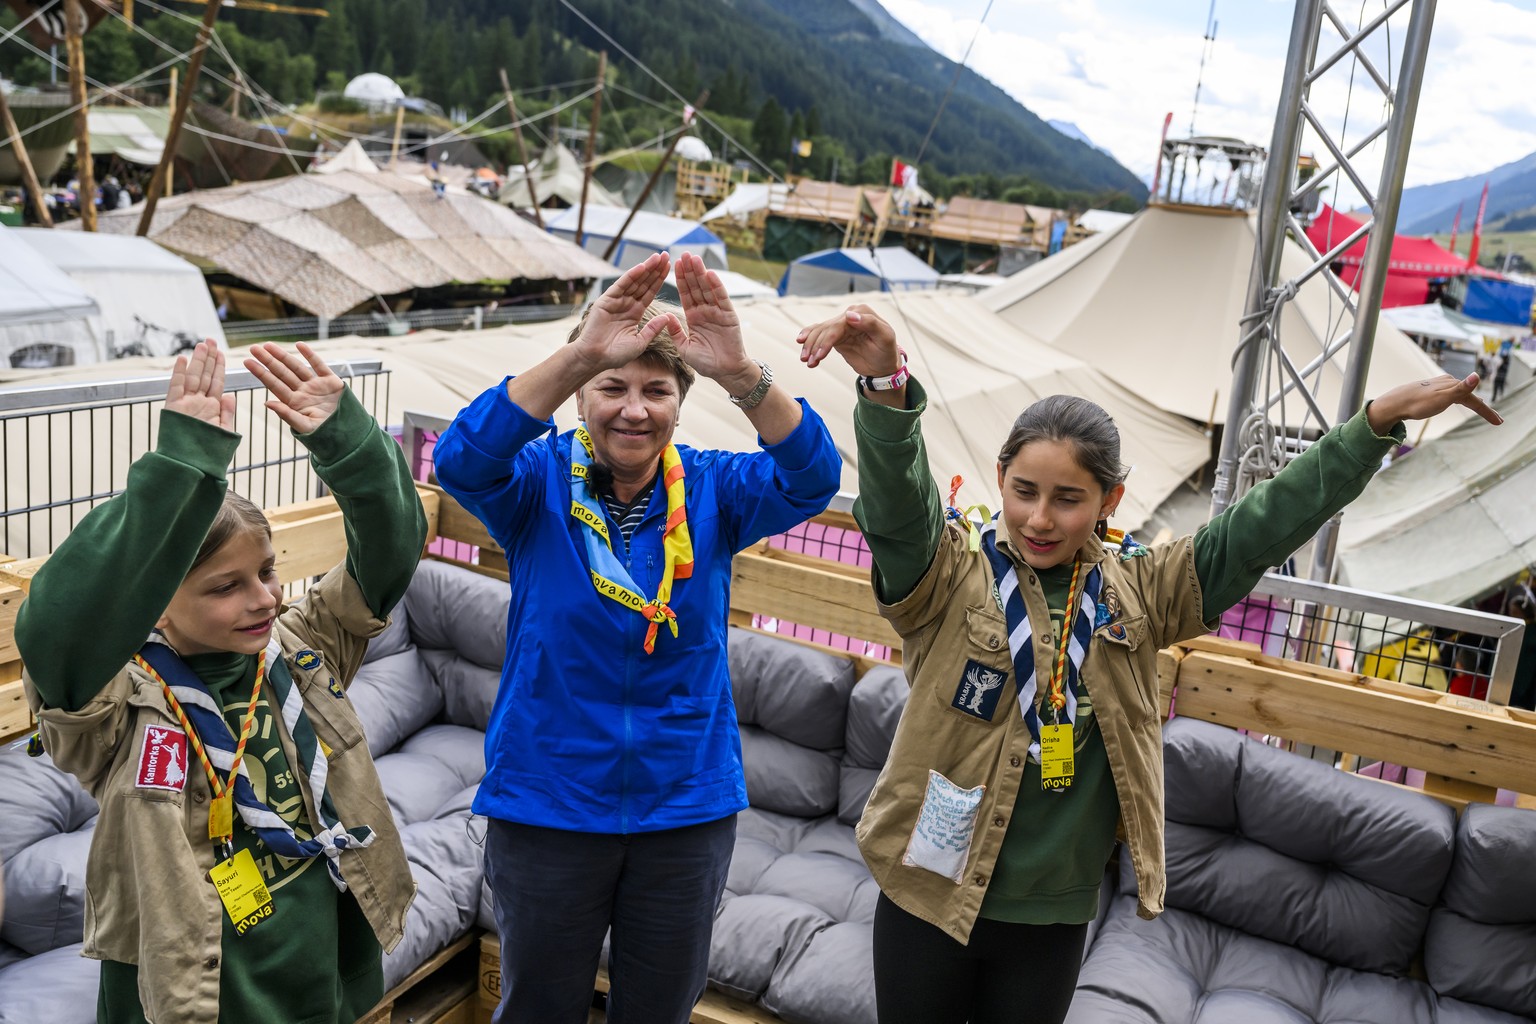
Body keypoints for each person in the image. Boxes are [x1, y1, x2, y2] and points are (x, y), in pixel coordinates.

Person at [796, 304, 1501, 1024]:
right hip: (922, 894)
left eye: (1069, 499)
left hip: (1050, 919)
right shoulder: (950, 576)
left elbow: (1255, 530)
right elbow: (897, 512)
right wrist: (884, 385)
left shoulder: (1143, 591)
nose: (1041, 519)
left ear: (1110, 499)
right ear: (1001, 478)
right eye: (1025, 492)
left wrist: (1372, 425)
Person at [433, 251, 840, 1024]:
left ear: (680, 401)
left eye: (656, 390)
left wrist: (742, 373)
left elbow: (812, 477)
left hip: (682, 809)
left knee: (658, 1011)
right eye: (611, 387)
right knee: (537, 1009)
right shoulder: (536, 484)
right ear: (582, 395)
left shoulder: (718, 489)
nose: (633, 409)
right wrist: (581, 350)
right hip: (547, 800)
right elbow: (461, 459)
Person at [17, 341, 428, 1024]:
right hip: (201, 992)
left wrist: (347, 441)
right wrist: (182, 468)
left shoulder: (300, 650)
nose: (264, 599)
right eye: (226, 587)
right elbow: (57, 630)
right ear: (155, 601)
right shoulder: (120, 710)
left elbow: (388, 552)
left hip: (320, 965)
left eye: (267, 572)